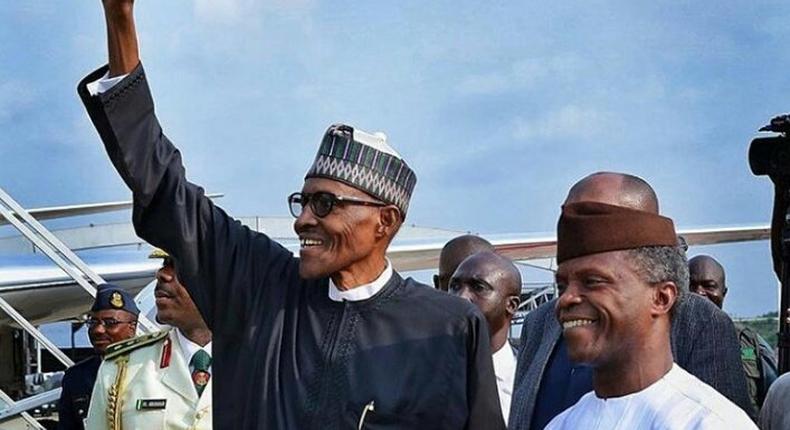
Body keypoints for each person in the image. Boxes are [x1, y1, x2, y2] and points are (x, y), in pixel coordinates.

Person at [77, 2, 503, 429]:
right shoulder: (262, 288)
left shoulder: (447, 327)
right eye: (302, 202)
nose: (303, 221)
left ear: (385, 221)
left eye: (325, 204)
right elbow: (165, 187)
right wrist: (120, 18)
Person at [509, 172, 754, 429]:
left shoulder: (707, 422)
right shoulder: (562, 424)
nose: (567, 298)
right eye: (562, 285)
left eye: (593, 281)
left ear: (661, 298)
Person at [84, 250, 213, 430]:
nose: (162, 274)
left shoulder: (260, 366)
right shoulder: (122, 367)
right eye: (164, 265)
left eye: (181, 267)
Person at [689, 254, 778, 412]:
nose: (699, 293)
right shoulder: (664, 344)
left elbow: (774, 397)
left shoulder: (749, 342)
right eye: (691, 286)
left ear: (724, 292)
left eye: (709, 286)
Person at [449, 251, 521, 425]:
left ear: (511, 305)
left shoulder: (529, 382)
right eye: (455, 286)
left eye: (478, 287)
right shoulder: (424, 376)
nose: (461, 297)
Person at [57, 284, 139, 430]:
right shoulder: (76, 377)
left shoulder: (151, 368)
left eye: (110, 323)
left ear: (132, 328)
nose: (98, 330)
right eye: (93, 322)